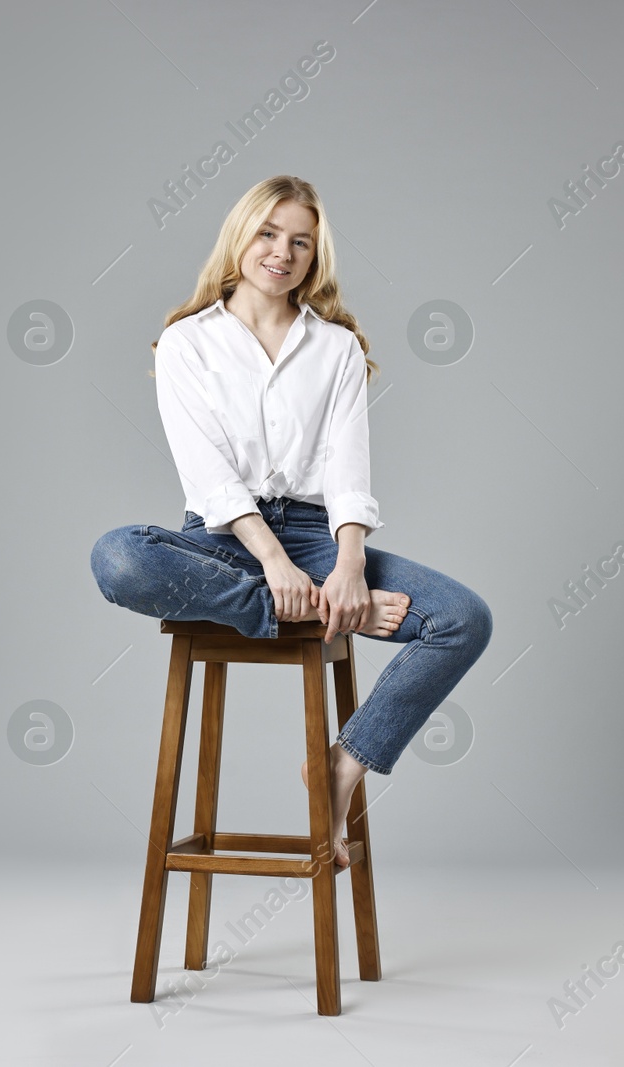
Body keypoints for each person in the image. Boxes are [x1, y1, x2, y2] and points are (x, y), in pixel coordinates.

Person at [91, 175, 492, 866]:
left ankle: (343, 763)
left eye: (301, 242)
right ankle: (313, 611)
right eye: (269, 233)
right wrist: (281, 572)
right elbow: (209, 473)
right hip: (218, 541)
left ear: (315, 256)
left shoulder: (334, 348)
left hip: (315, 536)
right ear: (240, 237)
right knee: (119, 556)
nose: (283, 251)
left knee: (463, 617)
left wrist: (348, 568)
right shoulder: (187, 342)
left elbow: (347, 471)